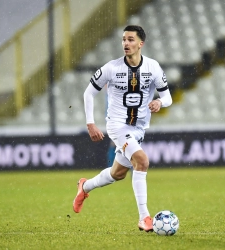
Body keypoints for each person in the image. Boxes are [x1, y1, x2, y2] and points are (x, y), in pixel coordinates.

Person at [73, 25, 172, 232]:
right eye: (124, 40)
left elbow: (167, 97)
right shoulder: (111, 68)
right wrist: (90, 122)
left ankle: (85, 186)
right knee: (142, 161)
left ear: (140, 44)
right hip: (117, 125)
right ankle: (144, 217)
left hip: (139, 128)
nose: (126, 43)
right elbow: (88, 93)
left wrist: (159, 103)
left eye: (130, 40)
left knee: (117, 174)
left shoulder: (153, 68)